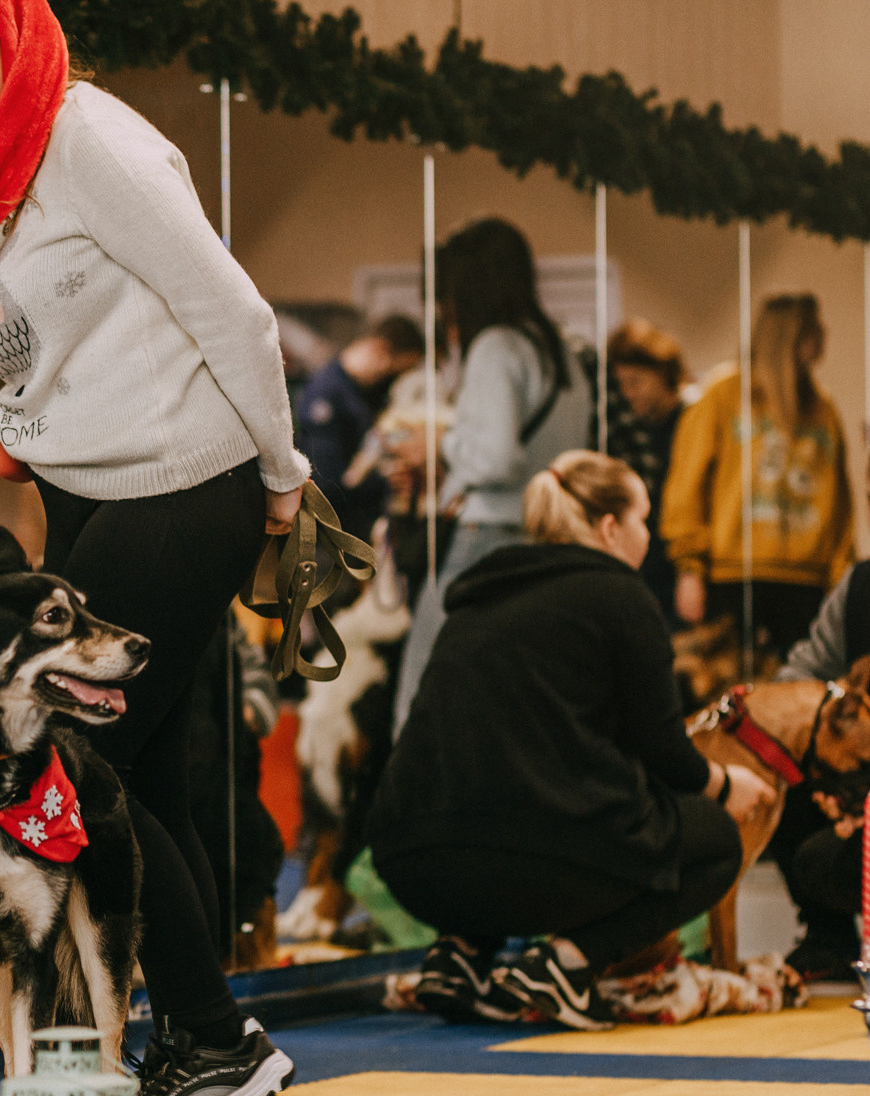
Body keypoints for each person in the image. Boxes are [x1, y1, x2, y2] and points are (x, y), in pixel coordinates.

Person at [0, 0, 305, 1096]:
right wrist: (17, 416)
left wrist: (283, 478)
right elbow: (55, 337)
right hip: (97, 488)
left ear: (20, 39)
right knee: (156, 776)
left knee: (80, 763)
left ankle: (210, 1042)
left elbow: (234, 312)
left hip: (183, 481)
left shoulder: (88, 138)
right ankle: (200, 1055)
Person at [367, 452, 774, 1030]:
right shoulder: (621, 597)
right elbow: (663, 751)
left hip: (413, 861)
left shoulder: (477, 599)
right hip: (530, 864)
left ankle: (460, 956)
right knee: (714, 841)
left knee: (512, 798)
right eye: (642, 520)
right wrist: (727, 785)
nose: (647, 536)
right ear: (610, 528)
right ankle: (564, 964)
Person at [390, 218, 594, 736]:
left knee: (425, 683)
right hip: (550, 535)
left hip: (488, 537)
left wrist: (444, 443)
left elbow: (500, 459)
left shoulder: (497, 348)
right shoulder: (562, 355)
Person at [663, 293, 853, 656]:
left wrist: (840, 578)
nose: (824, 335)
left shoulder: (823, 408)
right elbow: (687, 486)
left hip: (806, 578)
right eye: (814, 328)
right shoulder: (724, 394)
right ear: (792, 336)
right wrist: (689, 568)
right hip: (734, 574)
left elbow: (840, 503)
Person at [767, 563, 870, 979]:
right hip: (858, 767)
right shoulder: (862, 587)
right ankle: (830, 939)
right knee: (773, 772)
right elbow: (794, 681)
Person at [295, 315, 426, 544]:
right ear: (381, 350)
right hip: (329, 539)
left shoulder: (360, 393)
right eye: (397, 373)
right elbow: (325, 483)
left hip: (354, 532)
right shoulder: (327, 394)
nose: (395, 382)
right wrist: (386, 481)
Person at [605, 318, 689, 625]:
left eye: (636, 381)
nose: (628, 393)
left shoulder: (693, 422)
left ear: (663, 372)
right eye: (621, 384)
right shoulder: (626, 432)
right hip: (643, 562)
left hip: (681, 568)